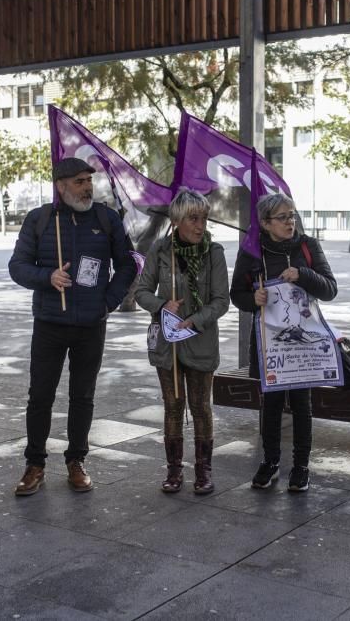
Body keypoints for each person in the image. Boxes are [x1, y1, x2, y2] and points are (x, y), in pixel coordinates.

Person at [8, 157, 137, 496]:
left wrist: (108, 302)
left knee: (83, 396)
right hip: (49, 323)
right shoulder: (40, 219)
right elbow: (17, 266)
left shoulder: (106, 219)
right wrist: (47, 277)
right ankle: (35, 464)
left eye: (88, 180)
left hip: (91, 325)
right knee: (40, 396)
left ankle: (76, 460)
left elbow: (127, 264)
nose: (87, 187)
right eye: (79, 181)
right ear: (61, 185)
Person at [230, 193, 337, 492]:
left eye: (292, 215)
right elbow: (236, 294)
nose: (290, 222)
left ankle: (301, 465)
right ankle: (271, 461)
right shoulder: (252, 251)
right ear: (265, 223)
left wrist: (303, 274)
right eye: (283, 217)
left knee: (302, 404)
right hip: (269, 341)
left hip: (304, 341)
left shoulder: (307, 245)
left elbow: (330, 289)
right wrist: (253, 298)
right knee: (272, 403)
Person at [134, 189, 229, 494]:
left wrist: (197, 319)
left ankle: (204, 471)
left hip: (200, 343)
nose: (200, 225)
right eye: (193, 218)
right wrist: (162, 305)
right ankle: (174, 471)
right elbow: (141, 292)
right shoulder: (160, 250)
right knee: (173, 406)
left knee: (200, 407)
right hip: (168, 345)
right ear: (177, 220)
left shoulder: (214, 253)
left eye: (203, 218)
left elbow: (221, 301)